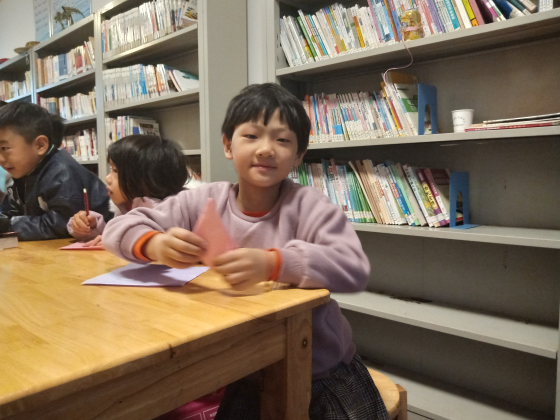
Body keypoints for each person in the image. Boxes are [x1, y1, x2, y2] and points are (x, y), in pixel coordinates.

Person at [102, 83, 390, 419]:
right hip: (243, 372)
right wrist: (155, 244)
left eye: (282, 140)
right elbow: (117, 229)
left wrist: (274, 263)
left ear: (298, 155)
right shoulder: (203, 200)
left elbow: (353, 267)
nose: (266, 149)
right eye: (251, 136)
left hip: (320, 370)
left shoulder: (308, 205)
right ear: (228, 145)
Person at [0, 102, 110, 240]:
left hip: (101, 245)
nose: (1, 158)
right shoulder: (23, 169)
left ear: (40, 145)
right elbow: (11, 212)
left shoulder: (62, 172)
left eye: (4, 148)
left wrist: (8, 225)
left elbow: (63, 225)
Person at [68, 135, 188, 247]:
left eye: (115, 171)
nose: (107, 178)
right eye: (111, 169)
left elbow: (160, 242)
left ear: (145, 179)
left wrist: (118, 241)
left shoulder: (169, 214)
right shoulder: (127, 206)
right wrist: (91, 227)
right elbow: (117, 231)